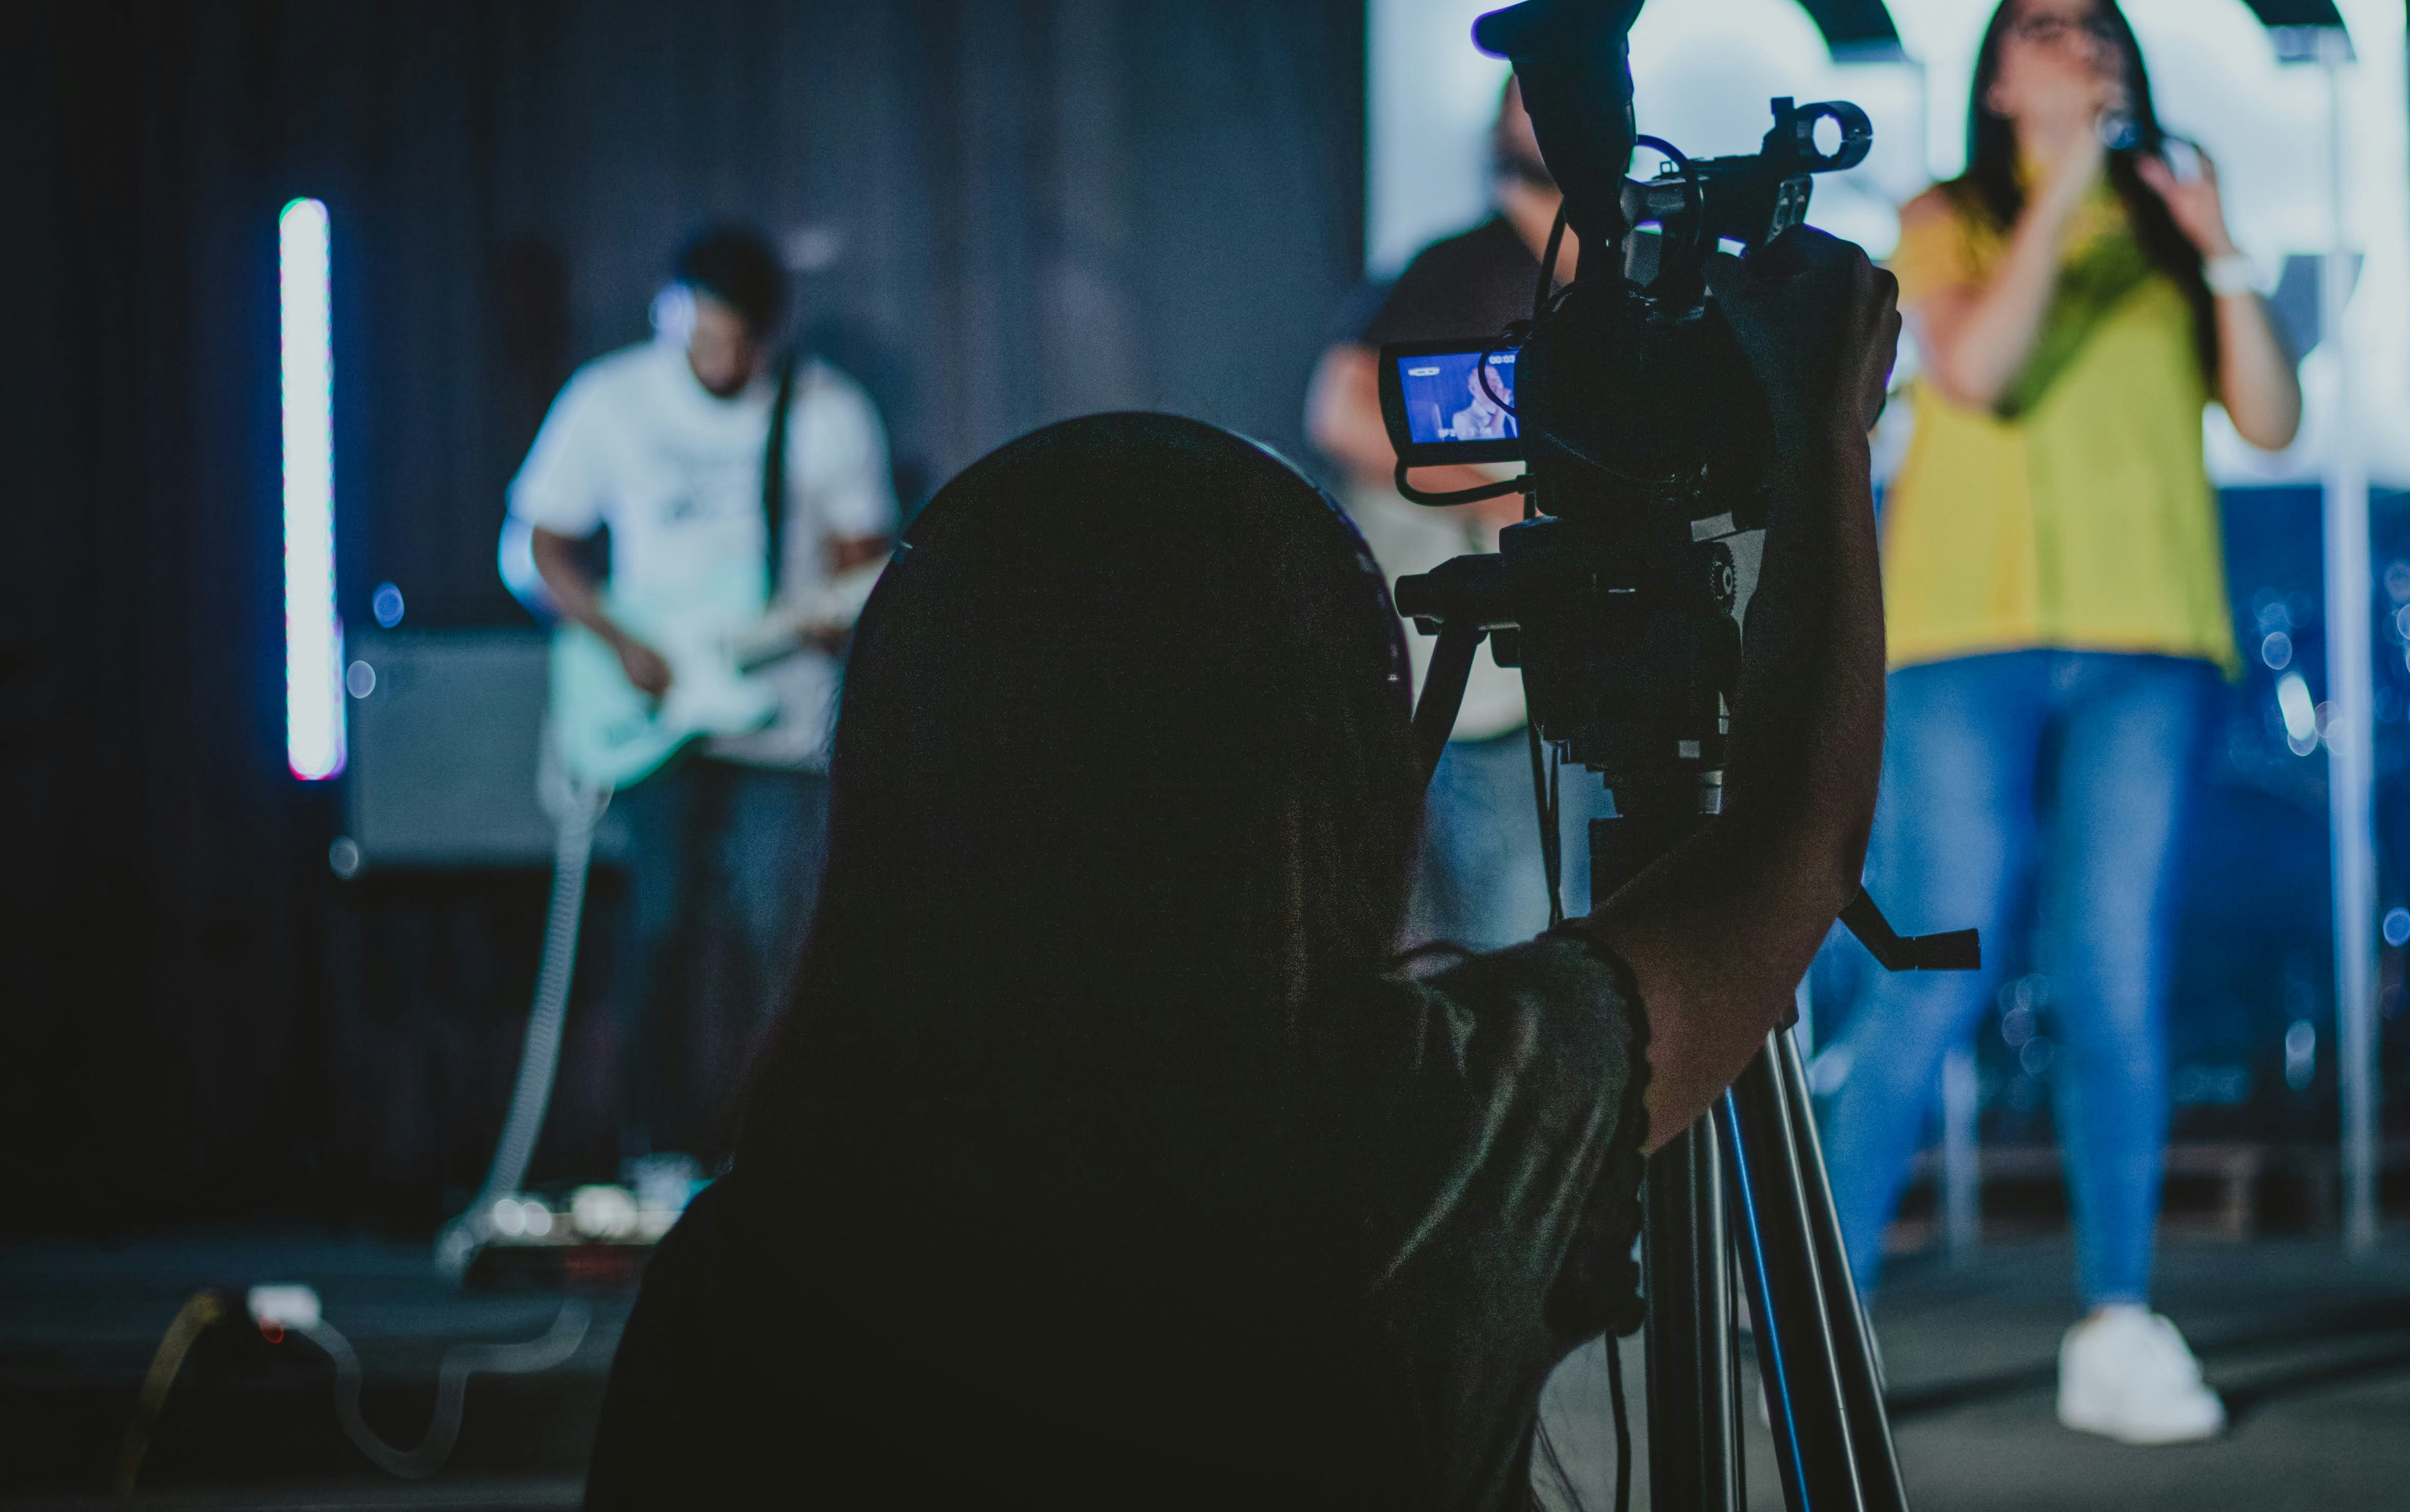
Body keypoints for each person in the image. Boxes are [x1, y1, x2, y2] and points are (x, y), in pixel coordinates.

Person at [581, 229, 1901, 1509]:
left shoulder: (743, 1270)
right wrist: (1818, 433)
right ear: (1322, 759)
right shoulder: (1420, 1128)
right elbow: (1794, 842)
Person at [1814, 0, 2300, 1445]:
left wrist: (2218, 256)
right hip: (1970, 644)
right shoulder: (1941, 220)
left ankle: (2116, 1319)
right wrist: (2065, 181)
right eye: (2047, 28)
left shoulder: (2164, 238)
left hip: (2148, 640)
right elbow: (1981, 367)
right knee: (1936, 967)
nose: (2082, 44)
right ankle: (1814, 1307)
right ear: (1996, 80)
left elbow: (2273, 420)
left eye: (2099, 28)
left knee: (2115, 979)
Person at [508, 224, 897, 1170]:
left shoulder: (826, 413)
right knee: (661, 929)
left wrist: (836, 616)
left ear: (767, 334)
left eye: (735, 339)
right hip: (654, 712)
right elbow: (539, 543)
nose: (716, 357)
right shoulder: (611, 402)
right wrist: (618, 639)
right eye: (701, 334)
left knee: (783, 934)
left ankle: (785, 1155)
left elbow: (863, 575)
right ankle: (659, 1154)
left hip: (784, 720)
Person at [1307, 79, 1592, 947]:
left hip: (1594, 660)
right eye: (1528, 95)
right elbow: (1341, 410)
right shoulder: (1459, 269)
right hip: (1496, 674)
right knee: (1512, 922)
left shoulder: (1628, 282)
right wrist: (1505, 500)